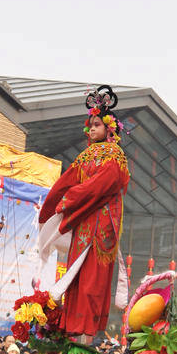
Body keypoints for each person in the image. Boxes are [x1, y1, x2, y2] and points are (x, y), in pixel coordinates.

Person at [37, 86, 129, 341]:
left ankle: (87, 331)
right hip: (84, 217)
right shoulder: (86, 155)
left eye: (97, 124)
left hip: (101, 220)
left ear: (110, 128)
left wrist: (71, 198)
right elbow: (69, 179)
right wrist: (53, 203)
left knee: (93, 277)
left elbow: (105, 183)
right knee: (77, 274)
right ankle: (74, 325)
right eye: (90, 125)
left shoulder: (115, 155)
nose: (92, 129)